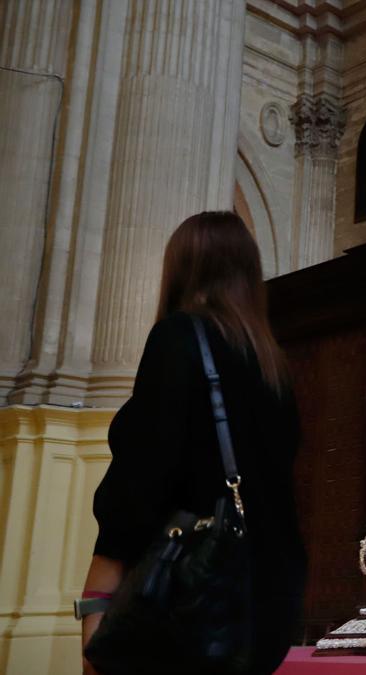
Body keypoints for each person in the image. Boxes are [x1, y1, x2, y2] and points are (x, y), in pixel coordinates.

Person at [80, 212, 306, 674]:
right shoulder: (273, 365)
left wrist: (99, 591)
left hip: (191, 597)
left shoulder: (178, 338)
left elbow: (140, 476)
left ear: (181, 269)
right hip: (266, 599)